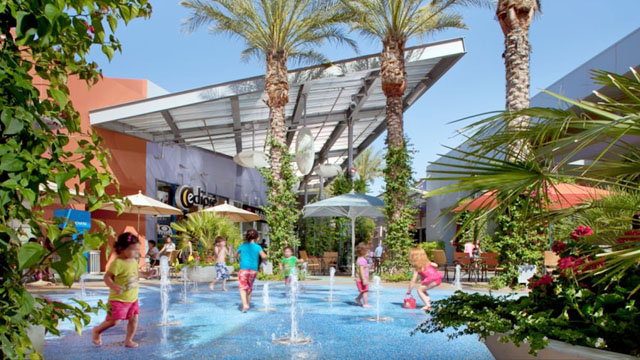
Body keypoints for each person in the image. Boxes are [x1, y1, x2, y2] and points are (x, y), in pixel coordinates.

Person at [92, 232, 149, 348]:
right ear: (121, 248)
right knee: (114, 321)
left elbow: (135, 273)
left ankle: (129, 340)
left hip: (132, 298)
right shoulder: (117, 263)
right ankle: (97, 331)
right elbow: (107, 277)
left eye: (137, 250)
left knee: (134, 319)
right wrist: (113, 286)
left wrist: (146, 274)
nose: (136, 253)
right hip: (118, 299)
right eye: (133, 250)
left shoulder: (133, 261)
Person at [236, 229, 267, 312]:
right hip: (253, 270)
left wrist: (238, 259)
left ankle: (245, 304)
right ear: (257, 238)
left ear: (247, 237)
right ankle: (247, 305)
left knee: (242, 287)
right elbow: (264, 256)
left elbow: (236, 255)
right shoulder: (258, 247)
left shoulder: (243, 246)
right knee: (249, 288)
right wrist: (264, 260)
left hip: (244, 269)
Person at [354, 242, 372, 308]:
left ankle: (358, 299)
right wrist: (364, 279)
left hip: (360, 279)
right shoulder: (362, 260)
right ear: (363, 252)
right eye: (367, 252)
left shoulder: (359, 259)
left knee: (363, 290)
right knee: (365, 291)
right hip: (362, 279)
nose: (368, 253)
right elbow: (361, 271)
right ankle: (365, 303)